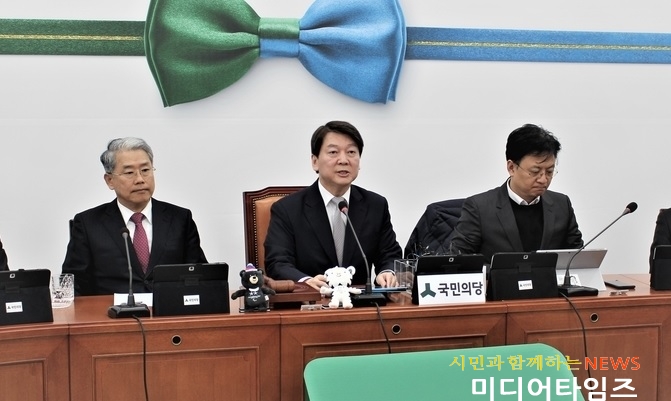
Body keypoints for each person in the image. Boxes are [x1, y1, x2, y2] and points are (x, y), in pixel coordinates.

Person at [264, 121, 403, 290]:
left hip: (359, 302)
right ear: (315, 161)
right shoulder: (287, 209)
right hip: (309, 301)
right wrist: (305, 282)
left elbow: (390, 254)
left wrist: (387, 272)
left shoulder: (376, 205)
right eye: (333, 152)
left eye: (351, 152)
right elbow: (277, 263)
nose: (343, 160)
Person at [62, 137, 207, 295]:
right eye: (129, 172)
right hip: (110, 310)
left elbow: (200, 276)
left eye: (145, 170)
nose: (140, 179)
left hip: (169, 308)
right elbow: (73, 285)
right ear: (110, 180)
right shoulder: (88, 224)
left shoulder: (180, 219)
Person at [450, 123, 583, 262]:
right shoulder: (479, 208)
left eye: (549, 171)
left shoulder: (562, 205)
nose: (543, 179)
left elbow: (578, 259)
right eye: (535, 171)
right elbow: (460, 262)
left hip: (548, 277)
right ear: (511, 167)